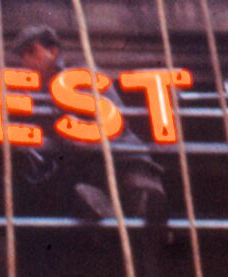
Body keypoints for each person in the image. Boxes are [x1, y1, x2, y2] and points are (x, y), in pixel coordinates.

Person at [10, 25, 166, 223]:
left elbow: (114, 118)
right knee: (83, 196)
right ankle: (108, 210)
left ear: (53, 51)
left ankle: (144, 207)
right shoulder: (36, 96)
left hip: (122, 159)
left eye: (32, 51)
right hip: (91, 171)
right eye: (23, 56)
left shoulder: (81, 77)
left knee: (142, 203)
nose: (27, 61)